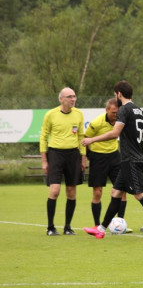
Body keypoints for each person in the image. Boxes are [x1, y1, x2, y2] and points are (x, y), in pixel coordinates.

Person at [81, 80, 143, 240]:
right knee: (115, 192)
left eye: (116, 95)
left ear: (119, 94)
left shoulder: (124, 110)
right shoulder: (140, 111)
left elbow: (114, 133)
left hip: (131, 160)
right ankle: (101, 229)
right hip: (132, 159)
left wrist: (92, 140)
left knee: (140, 194)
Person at [40, 87, 85, 236]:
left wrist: (83, 158)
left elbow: (80, 137)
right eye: (69, 97)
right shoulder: (51, 115)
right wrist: (44, 160)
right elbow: (43, 137)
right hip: (55, 154)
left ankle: (67, 227)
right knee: (55, 190)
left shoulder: (78, 114)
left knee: (71, 192)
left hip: (73, 154)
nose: (73, 99)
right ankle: (50, 227)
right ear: (61, 99)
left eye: (74, 96)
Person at [83, 99, 126, 231]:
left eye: (118, 112)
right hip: (98, 158)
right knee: (98, 192)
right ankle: (97, 224)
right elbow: (85, 139)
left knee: (122, 190)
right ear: (106, 110)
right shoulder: (96, 123)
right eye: (113, 112)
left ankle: (120, 223)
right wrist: (88, 156)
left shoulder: (120, 121)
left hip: (114, 156)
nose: (116, 114)